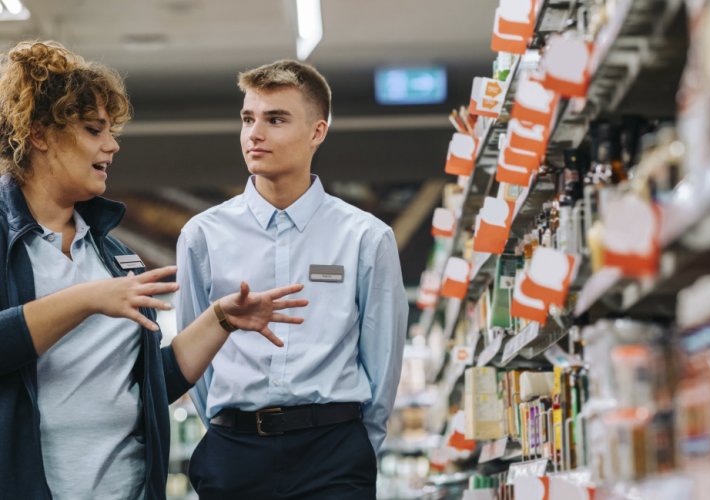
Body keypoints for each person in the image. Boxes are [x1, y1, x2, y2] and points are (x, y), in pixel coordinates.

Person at [0, 40, 308, 500]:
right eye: (93, 129)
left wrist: (221, 319)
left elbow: (145, 387)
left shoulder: (112, 255)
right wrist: (86, 300)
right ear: (40, 134)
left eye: (111, 130)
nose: (112, 144)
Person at [176, 59, 408, 499]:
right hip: (234, 454)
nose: (254, 134)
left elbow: (383, 360)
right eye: (248, 119)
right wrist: (231, 429)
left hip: (333, 454)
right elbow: (193, 359)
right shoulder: (202, 236)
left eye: (275, 119)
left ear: (317, 132)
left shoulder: (365, 237)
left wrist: (358, 447)